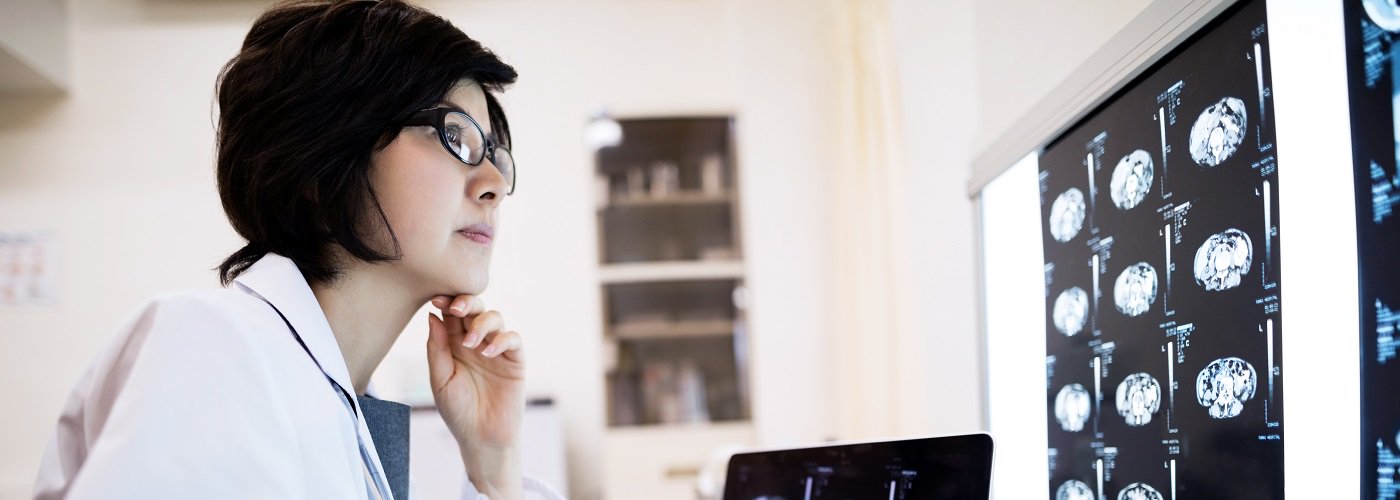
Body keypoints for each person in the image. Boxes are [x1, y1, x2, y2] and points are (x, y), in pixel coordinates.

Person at [32, 1, 564, 498]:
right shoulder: (212, 347)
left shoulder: (335, 403)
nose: (494, 182)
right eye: (458, 138)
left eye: (495, 152)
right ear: (324, 159)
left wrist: (496, 468)